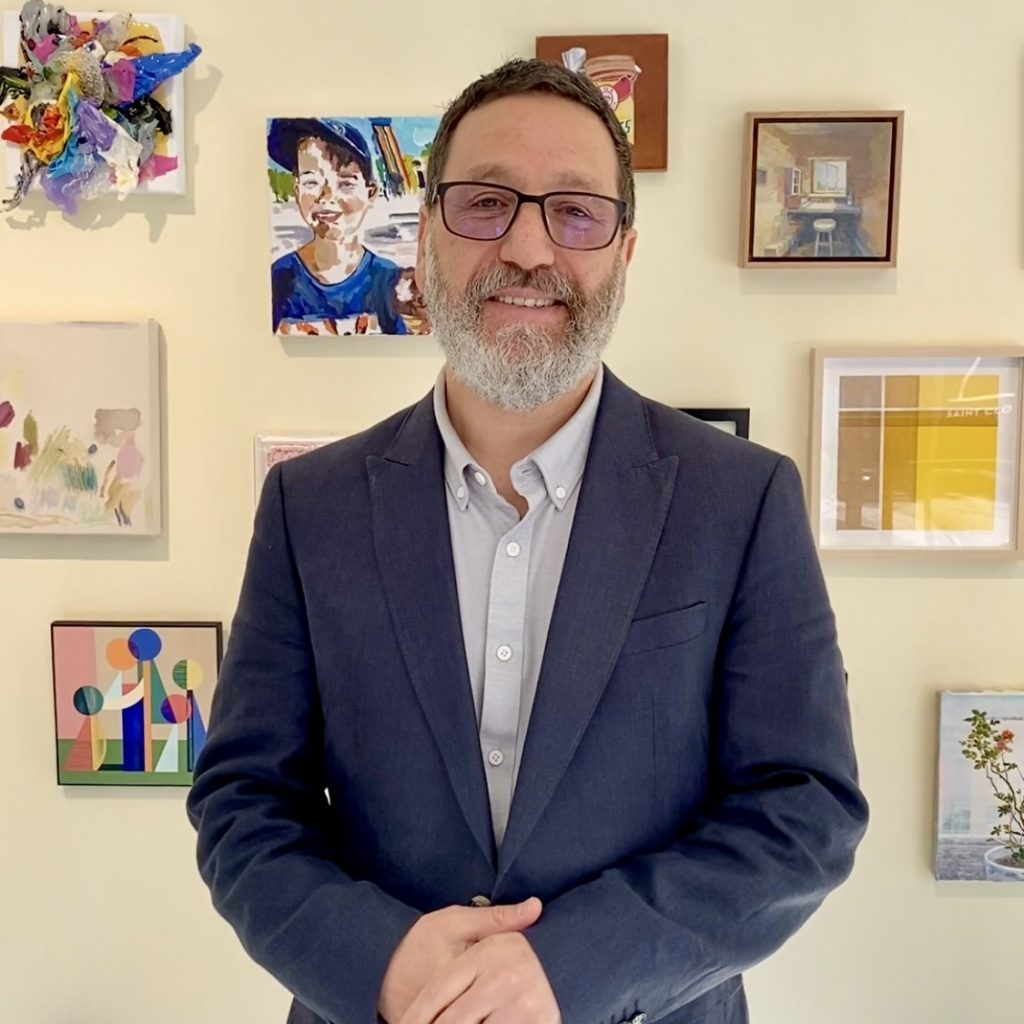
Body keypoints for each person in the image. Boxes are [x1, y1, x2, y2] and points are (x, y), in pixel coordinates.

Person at [188, 58, 868, 1024]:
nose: (527, 247)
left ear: (624, 252)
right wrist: (382, 963)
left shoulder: (742, 498)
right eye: (484, 203)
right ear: (425, 237)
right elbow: (244, 805)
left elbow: (805, 808)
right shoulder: (311, 507)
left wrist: (574, 966)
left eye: (576, 213)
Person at [268, 117, 408, 335]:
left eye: (345, 183)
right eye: (311, 182)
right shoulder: (278, 280)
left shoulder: (389, 282)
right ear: (297, 193)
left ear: (371, 193)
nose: (327, 196)